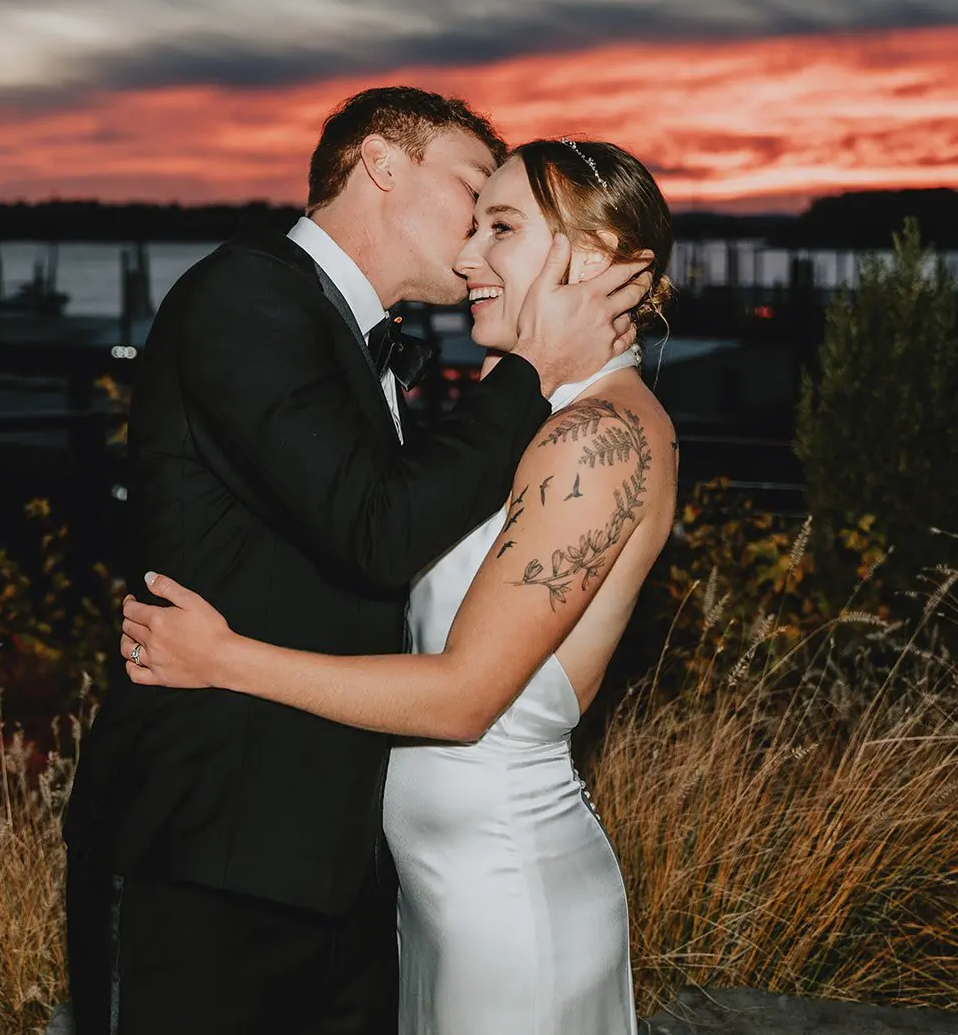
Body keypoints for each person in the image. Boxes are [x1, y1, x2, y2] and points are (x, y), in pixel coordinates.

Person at [63, 86, 652, 1035]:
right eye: (472, 192)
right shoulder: (246, 293)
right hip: (209, 846)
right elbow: (374, 533)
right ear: (382, 163)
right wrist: (534, 376)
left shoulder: (356, 338)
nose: (473, 241)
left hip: (343, 863)